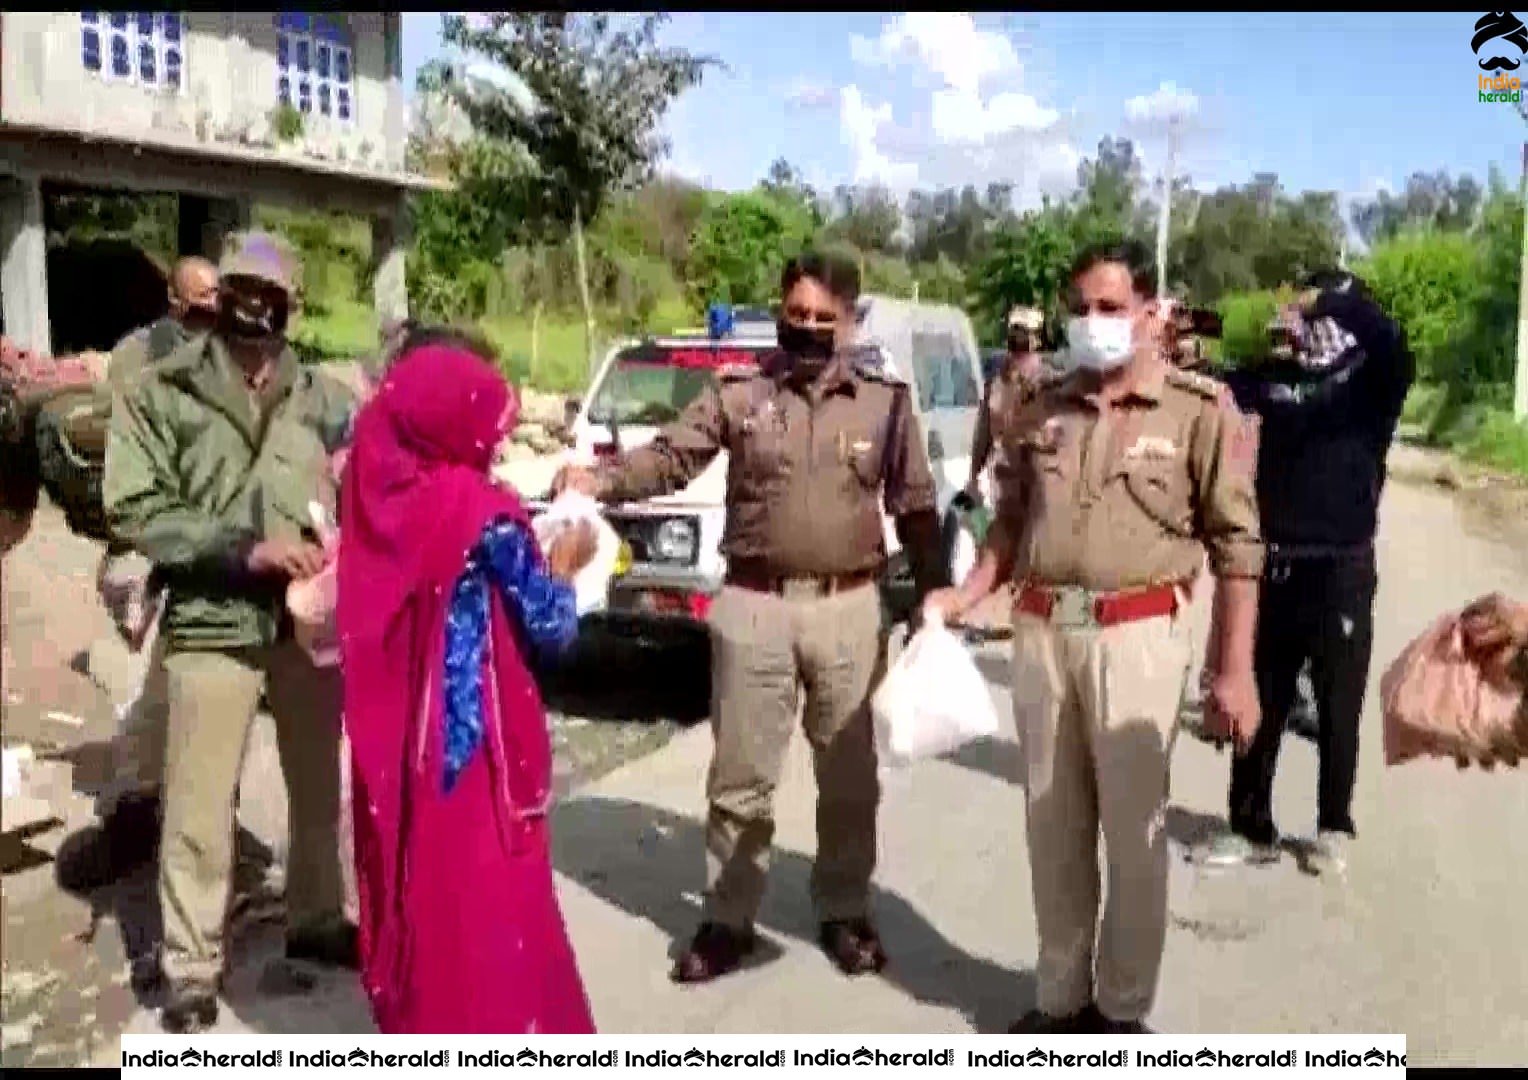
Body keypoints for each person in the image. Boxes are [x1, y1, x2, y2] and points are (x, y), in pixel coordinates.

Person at [555, 250, 946, 984]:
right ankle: (729, 918)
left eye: (822, 319)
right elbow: (670, 459)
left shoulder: (887, 402)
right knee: (739, 778)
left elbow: (916, 506)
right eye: (794, 315)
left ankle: (843, 910)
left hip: (848, 611)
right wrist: (598, 480)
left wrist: (935, 598)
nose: (805, 328)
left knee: (850, 778)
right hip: (753, 608)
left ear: (850, 322)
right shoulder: (738, 394)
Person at [925, 239, 1263, 1035]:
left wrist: (1234, 671)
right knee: (1053, 826)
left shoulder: (1197, 410)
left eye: (1110, 308)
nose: (1092, 322)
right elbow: (1011, 521)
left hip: (1138, 639)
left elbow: (1238, 546)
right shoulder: (1043, 407)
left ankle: (1120, 1013)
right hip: (1042, 634)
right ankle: (1061, 1001)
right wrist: (968, 591)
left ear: (1151, 314)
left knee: (1133, 836)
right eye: (1081, 308)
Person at [103, 231, 358, 1033]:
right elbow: (135, 506)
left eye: (270, 291)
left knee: (320, 790)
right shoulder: (161, 390)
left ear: (297, 305)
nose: (252, 304)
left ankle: (317, 919)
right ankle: (190, 969)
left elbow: (374, 471)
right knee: (200, 804)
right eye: (239, 288)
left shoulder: (324, 397)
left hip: (309, 625)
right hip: (213, 618)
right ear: (215, 299)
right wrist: (245, 549)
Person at [338, 331, 597, 1034]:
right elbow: (552, 627)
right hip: (481, 752)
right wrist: (569, 562)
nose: (495, 443)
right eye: (489, 427)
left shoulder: (377, 490)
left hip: (408, 750)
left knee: (433, 905)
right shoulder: (482, 515)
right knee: (497, 914)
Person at [1201, 271, 1414, 875]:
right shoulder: (1273, 377)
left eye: (1328, 315)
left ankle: (1332, 826)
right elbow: (1215, 380)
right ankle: (1249, 825)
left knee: (1338, 701)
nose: (1316, 327)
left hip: (1342, 569)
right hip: (1275, 564)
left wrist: (1332, 301)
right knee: (1262, 695)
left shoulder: (1373, 386)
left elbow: (1392, 344)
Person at [65, 257, 224, 894]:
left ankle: (194, 815)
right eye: (200, 297)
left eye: (219, 294)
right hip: (152, 541)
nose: (211, 305)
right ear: (174, 300)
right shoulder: (140, 355)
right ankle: (137, 812)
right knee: (148, 681)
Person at [965, 305, 1047, 501]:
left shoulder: (1050, 384)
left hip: (1038, 489)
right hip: (1002, 488)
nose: (1018, 337)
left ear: (1037, 337)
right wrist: (973, 477)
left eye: (1024, 331)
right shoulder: (996, 384)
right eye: (1014, 329)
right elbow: (983, 434)